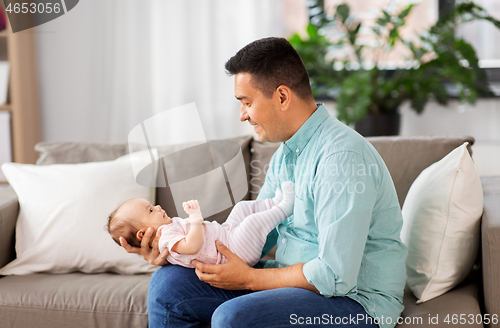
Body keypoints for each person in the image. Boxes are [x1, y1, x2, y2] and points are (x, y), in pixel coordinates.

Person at [121, 37, 407, 328]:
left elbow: (335, 275)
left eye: (246, 102)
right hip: (294, 283)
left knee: (232, 318)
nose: (242, 114)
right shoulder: (287, 154)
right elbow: (257, 232)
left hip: (355, 301)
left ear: (282, 97)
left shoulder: (342, 157)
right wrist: (177, 248)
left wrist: (250, 279)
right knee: (168, 285)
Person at [107, 182, 294, 268]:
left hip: (228, 235)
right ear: (142, 234)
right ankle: (285, 209)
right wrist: (195, 217)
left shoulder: (167, 228)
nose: (157, 207)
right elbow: (192, 245)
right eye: (150, 211)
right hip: (235, 253)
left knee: (241, 208)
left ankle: (274, 203)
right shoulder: (165, 238)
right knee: (252, 223)